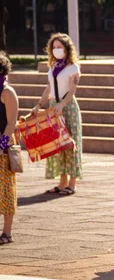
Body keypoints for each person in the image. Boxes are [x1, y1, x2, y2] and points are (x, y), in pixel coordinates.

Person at [33, 33, 82, 195]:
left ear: (67, 49)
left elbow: (72, 91)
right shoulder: (53, 67)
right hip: (54, 107)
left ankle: (72, 184)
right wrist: (39, 105)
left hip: (67, 107)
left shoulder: (73, 68)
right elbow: (48, 89)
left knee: (71, 144)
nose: (56, 50)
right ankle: (61, 183)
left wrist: (62, 104)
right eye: (54, 47)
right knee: (58, 145)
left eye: (60, 47)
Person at [0, 51, 18, 245]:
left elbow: (11, 122)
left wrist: (2, 145)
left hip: (3, 143)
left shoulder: (7, 92)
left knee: (6, 189)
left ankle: (7, 232)